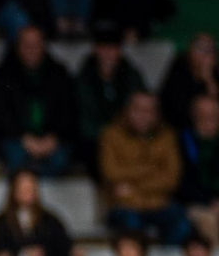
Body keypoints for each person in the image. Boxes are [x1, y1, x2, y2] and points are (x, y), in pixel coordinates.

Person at [0, 25, 77, 177]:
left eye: (36, 45)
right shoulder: (3, 75)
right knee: (16, 158)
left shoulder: (59, 73)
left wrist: (52, 138)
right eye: (27, 45)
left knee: (60, 160)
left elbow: (68, 111)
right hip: (17, 139)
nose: (31, 49)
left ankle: (33, 194)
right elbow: (1, 115)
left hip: (51, 140)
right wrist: (24, 139)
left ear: (44, 46)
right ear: (17, 46)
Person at [100, 90, 189, 244]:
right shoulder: (111, 135)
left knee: (182, 223)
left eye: (149, 110)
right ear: (127, 110)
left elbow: (171, 179)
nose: (143, 115)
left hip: (159, 204)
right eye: (138, 109)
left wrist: (133, 187)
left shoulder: (167, 136)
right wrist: (152, 170)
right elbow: (111, 173)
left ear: (157, 113)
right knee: (131, 226)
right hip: (124, 205)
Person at [76, 24, 146, 173]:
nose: (108, 54)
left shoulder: (131, 75)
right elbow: (83, 119)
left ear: (120, 51)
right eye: (103, 48)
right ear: (95, 50)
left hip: (126, 136)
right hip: (95, 140)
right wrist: (109, 136)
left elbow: (140, 111)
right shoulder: (84, 77)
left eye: (112, 48)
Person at [160, 32, 219, 135]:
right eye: (200, 48)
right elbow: (174, 104)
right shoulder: (179, 66)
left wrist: (208, 79)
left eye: (210, 49)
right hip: (180, 127)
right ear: (190, 50)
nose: (205, 54)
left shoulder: (215, 72)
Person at [180, 93, 219, 246]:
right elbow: (182, 182)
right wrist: (210, 202)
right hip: (194, 204)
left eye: (212, 114)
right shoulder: (184, 140)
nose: (207, 118)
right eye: (201, 114)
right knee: (207, 220)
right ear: (194, 115)